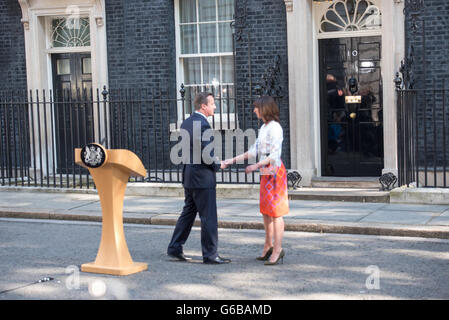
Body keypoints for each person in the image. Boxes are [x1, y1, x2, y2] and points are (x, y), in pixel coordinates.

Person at [222, 96, 289, 265]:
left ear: (264, 109)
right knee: (266, 211)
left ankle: (278, 249)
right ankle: (268, 245)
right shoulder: (264, 127)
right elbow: (253, 151)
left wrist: (255, 166)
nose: (254, 110)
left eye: (256, 107)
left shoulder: (275, 128)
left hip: (275, 172)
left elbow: (274, 155)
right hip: (266, 171)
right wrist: (230, 161)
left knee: (276, 212)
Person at [167, 92, 231, 264]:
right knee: (208, 217)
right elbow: (205, 152)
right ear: (203, 106)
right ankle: (210, 255)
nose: (214, 107)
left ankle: (174, 247)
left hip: (189, 175)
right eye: (212, 104)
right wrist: (218, 165)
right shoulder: (202, 124)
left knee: (187, 214)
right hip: (202, 178)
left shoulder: (186, 122)